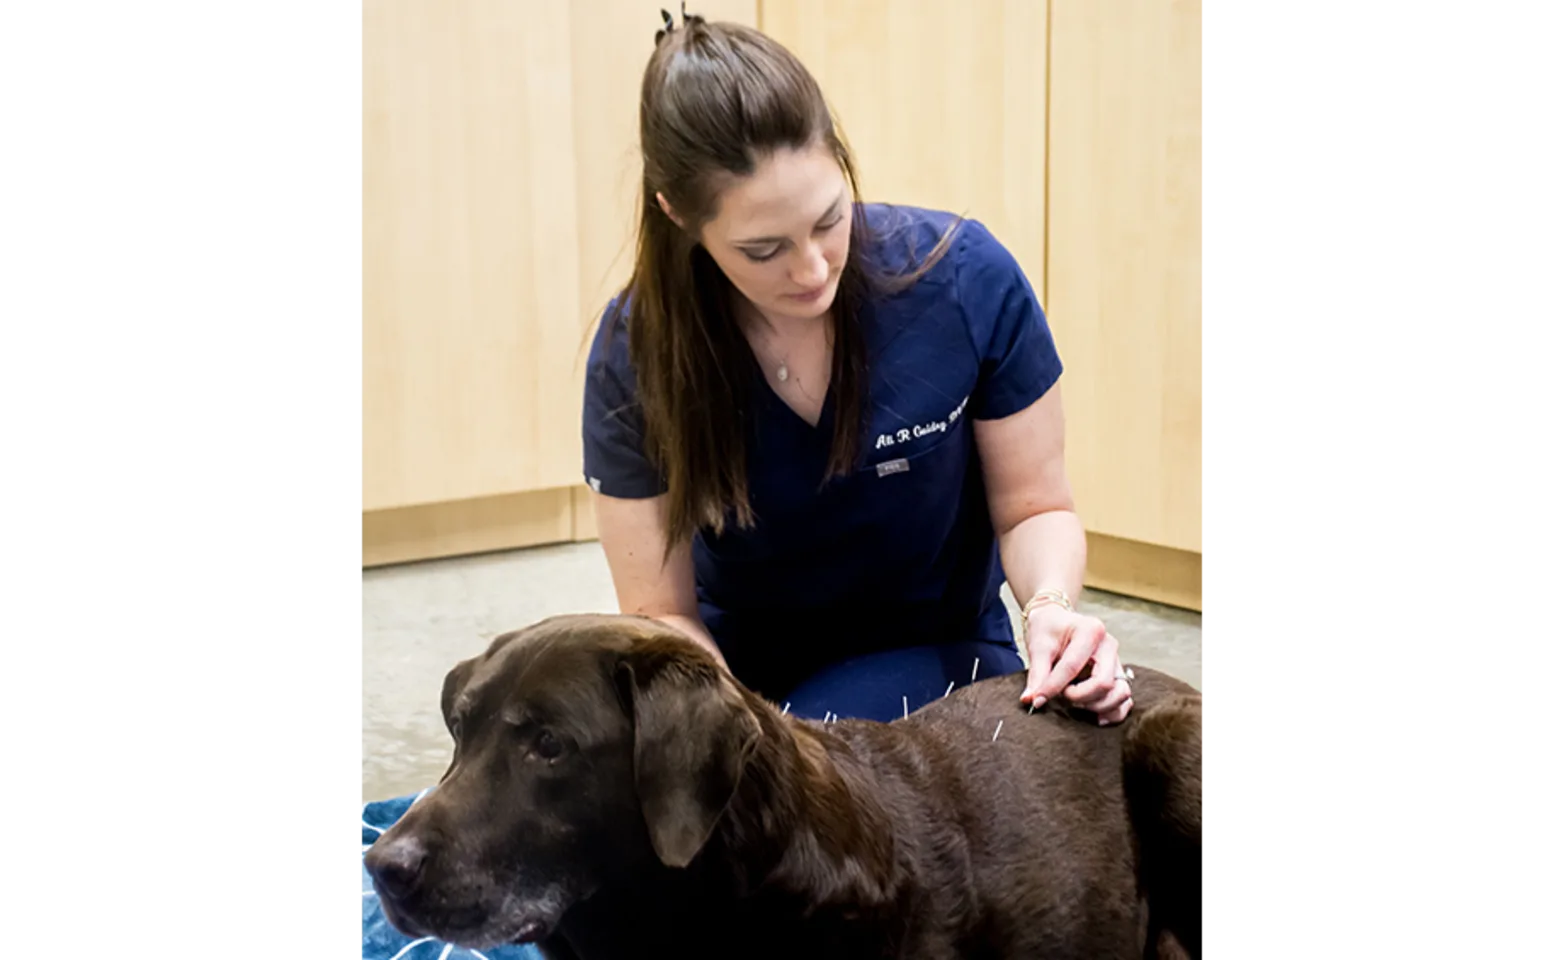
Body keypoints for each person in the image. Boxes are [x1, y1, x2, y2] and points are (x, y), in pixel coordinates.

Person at [582, 9, 1134, 728]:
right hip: (742, 678)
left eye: (828, 219)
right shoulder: (637, 355)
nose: (813, 269)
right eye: (763, 249)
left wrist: (1052, 611)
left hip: (943, 651)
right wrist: (732, 735)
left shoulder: (963, 281)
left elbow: (1037, 509)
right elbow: (660, 613)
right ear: (679, 218)